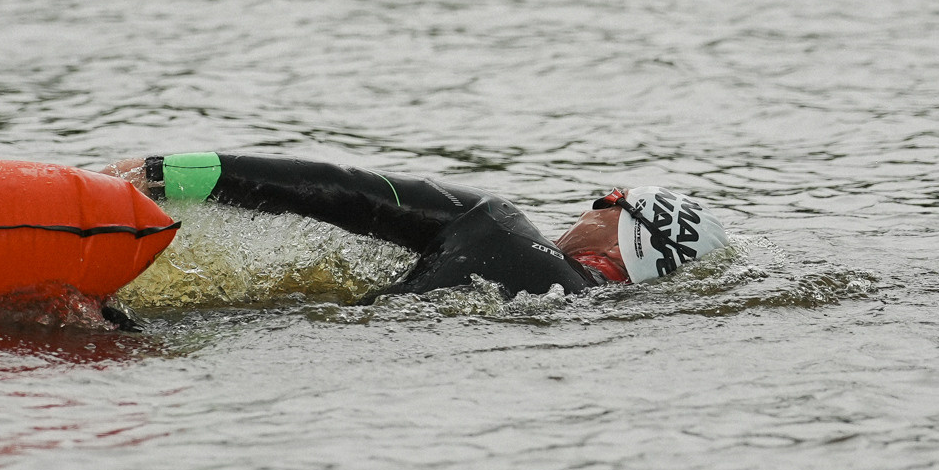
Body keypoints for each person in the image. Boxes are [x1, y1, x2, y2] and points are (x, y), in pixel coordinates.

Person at [100, 153, 728, 300]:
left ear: (630, 238)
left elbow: (353, 196)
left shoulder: (502, 230)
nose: (590, 204)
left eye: (610, 199)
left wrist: (177, 173)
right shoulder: (572, 299)